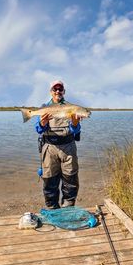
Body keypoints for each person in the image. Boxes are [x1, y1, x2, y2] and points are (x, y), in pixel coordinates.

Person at [35, 80, 81, 209]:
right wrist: (42, 124)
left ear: (64, 91)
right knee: (49, 179)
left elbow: (76, 131)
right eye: (55, 89)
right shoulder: (44, 108)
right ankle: (52, 207)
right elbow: (38, 130)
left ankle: (68, 206)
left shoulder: (72, 108)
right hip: (49, 148)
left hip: (68, 147)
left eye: (60, 89)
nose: (57, 92)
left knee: (70, 178)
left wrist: (76, 123)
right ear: (51, 92)